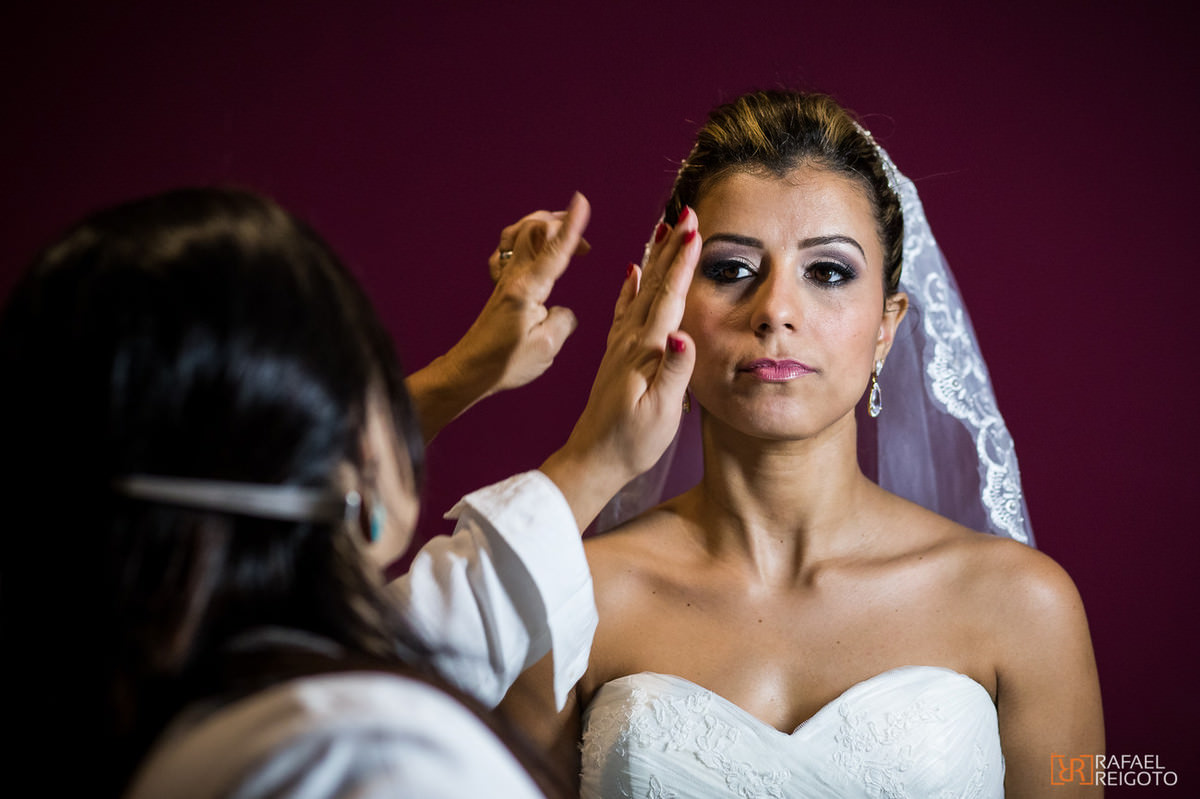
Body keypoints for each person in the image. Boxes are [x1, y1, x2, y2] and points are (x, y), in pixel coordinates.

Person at [499, 90, 1104, 797]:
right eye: (729, 269)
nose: (777, 310)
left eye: (828, 271)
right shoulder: (570, 600)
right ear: (668, 302)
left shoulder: (1023, 605)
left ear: (887, 325)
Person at [0, 186, 699, 797]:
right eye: (372, 380)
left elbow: (437, 628)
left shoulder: (165, 715)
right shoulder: (363, 754)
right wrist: (590, 461)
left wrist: (483, 383)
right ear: (352, 466)